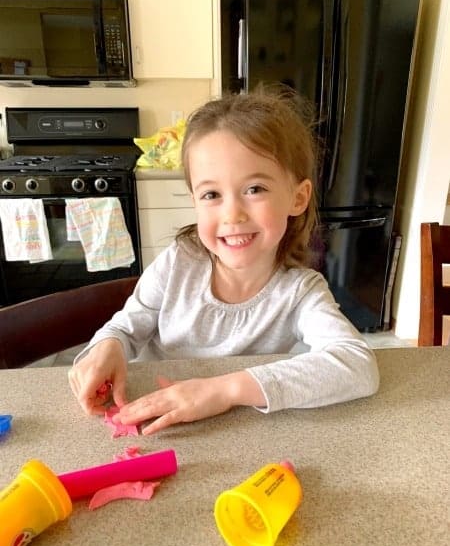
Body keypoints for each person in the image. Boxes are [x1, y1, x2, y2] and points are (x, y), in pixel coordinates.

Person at [69, 86, 379, 434]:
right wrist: (108, 346)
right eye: (211, 194)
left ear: (298, 197)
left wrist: (223, 390)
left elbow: (357, 365)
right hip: (153, 426)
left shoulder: (300, 291)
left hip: (238, 436)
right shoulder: (178, 263)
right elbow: (125, 327)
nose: (232, 214)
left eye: (255, 189)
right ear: (194, 201)